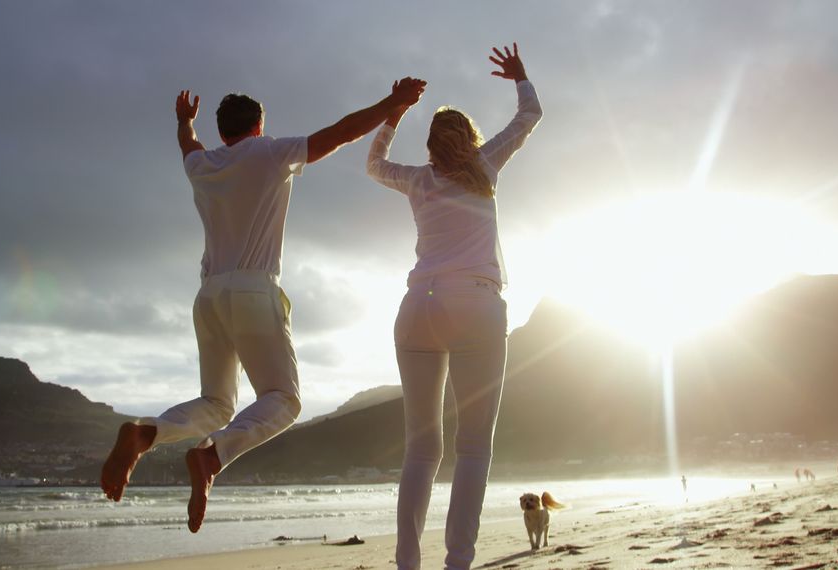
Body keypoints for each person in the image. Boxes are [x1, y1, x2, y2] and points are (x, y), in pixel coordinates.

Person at [100, 76, 427, 533]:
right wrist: (393, 102)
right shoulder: (268, 152)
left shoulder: (203, 166)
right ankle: (212, 456)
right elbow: (340, 133)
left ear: (223, 133)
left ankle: (146, 433)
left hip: (209, 296)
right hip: (253, 290)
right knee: (285, 400)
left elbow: (187, 145)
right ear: (257, 128)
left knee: (216, 403)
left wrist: (183, 121)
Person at [365, 43, 542, 570]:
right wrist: (520, 76)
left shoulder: (417, 180)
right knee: (473, 448)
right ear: (469, 140)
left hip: (418, 305)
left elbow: (373, 164)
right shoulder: (486, 167)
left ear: (431, 144)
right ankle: (458, 562)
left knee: (421, 450)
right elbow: (530, 115)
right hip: (477, 307)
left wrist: (391, 117)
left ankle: (407, 565)